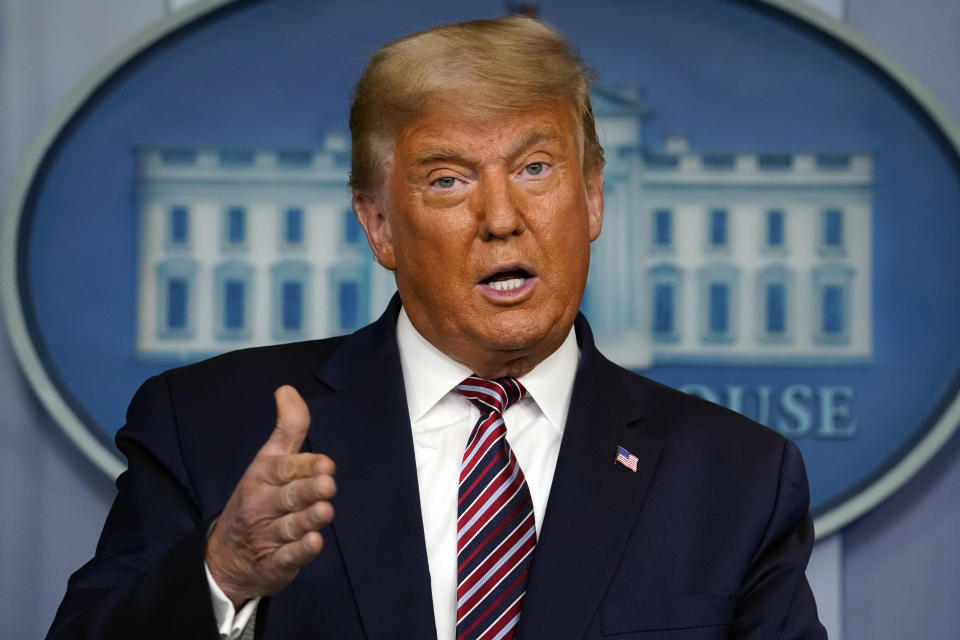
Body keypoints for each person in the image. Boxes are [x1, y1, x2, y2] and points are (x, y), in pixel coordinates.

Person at [47, 16, 826, 640]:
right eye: (449, 180)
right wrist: (224, 573)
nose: (502, 219)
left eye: (536, 168)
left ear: (592, 199)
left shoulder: (738, 477)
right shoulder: (211, 426)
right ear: (379, 225)